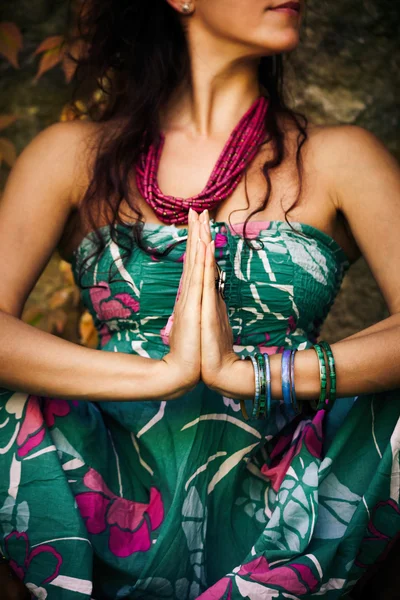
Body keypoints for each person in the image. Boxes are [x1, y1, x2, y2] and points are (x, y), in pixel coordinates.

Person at [0, 0, 399, 598]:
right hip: (107, 497)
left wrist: (249, 374)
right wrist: (162, 375)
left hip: (294, 506)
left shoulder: (340, 157)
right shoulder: (71, 157)